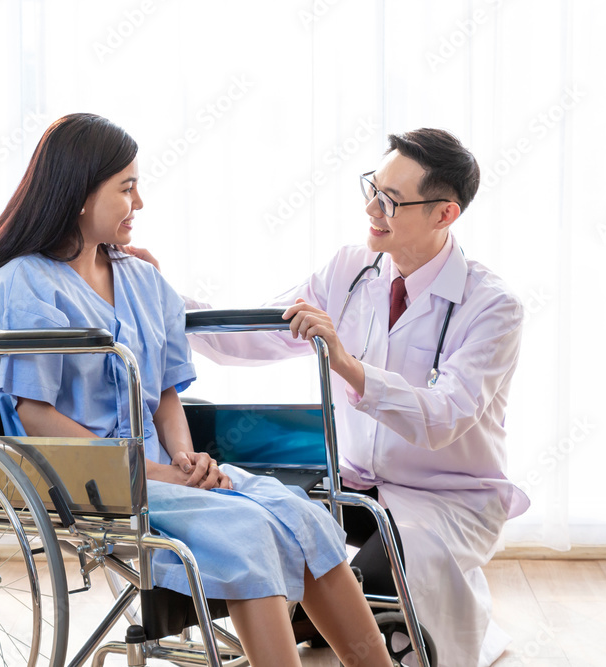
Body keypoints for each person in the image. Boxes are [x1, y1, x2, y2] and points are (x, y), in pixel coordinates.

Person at [0, 113, 393, 667]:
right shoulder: (22, 283)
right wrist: (153, 473)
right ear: (79, 194)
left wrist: (187, 457)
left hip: (162, 469)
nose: (140, 202)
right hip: (86, 479)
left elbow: (167, 393)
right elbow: (35, 414)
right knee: (247, 529)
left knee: (301, 514)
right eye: (127, 188)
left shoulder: (143, 278)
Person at [150, 129, 530, 667]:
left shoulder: (492, 307)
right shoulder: (352, 269)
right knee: (279, 535)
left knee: (373, 595)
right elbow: (255, 334)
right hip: (350, 480)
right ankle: (313, 613)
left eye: (391, 201)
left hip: (446, 498)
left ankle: (331, 614)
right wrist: (159, 294)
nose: (371, 208)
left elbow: (445, 418)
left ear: (445, 214)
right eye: (372, 189)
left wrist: (346, 363)